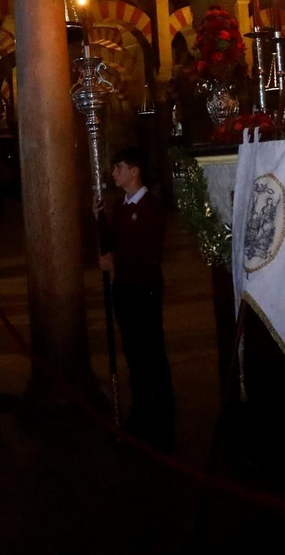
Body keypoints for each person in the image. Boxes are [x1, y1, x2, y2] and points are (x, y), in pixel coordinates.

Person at [100, 147, 175, 450]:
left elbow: (147, 254)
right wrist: (100, 221)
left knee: (150, 349)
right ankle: (141, 408)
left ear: (134, 171)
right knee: (133, 351)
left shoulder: (151, 208)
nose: (114, 173)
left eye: (119, 167)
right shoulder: (120, 206)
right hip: (125, 289)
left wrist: (115, 262)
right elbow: (113, 242)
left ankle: (160, 409)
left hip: (144, 289)